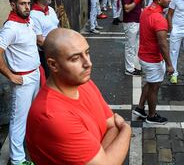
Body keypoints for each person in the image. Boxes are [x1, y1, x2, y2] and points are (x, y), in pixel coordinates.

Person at [26, 28, 131, 164]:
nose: (88, 63)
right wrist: (126, 130)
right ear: (53, 64)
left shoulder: (83, 83)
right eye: (75, 58)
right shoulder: (52, 115)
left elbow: (111, 126)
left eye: (87, 53)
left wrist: (100, 153)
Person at [0, 0, 41, 165]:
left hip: (36, 75)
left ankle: (30, 148)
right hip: (22, 81)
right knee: (18, 120)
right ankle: (17, 160)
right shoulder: (10, 28)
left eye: (28, 3)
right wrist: (10, 75)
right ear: (13, 4)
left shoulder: (28, 21)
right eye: (22, 4)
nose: (27, 7)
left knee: (33, 116)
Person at [132, 0, 174, 124]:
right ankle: (151, 115)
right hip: (152, 58)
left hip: (145, 55)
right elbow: (163, 44)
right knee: (154, 87)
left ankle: (139, 107)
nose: (170, 0)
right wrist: (169, 64)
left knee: (150, 83)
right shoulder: (158, 18)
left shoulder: (146, 11)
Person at [30, 0, 59, 77]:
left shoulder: (51, 9)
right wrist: (58, 46)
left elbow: (55, 27)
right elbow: (40, 41)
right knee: (50, 80)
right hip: (46, 54)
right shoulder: (33, 15)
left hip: (57, 50)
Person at [121, 0, 144, 76]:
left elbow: (142, 5)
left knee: (136, 46)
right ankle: (129, 69)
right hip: (130, 22)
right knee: (130, 46)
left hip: (138, 20)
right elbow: (127, 8)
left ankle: (134, 66)